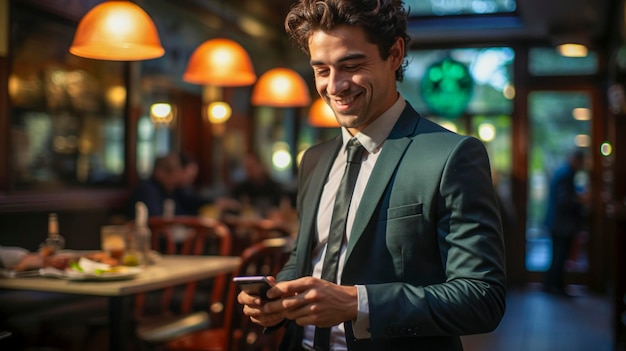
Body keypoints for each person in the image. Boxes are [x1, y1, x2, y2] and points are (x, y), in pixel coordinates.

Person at [237, 1, 507, 350]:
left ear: (394, 54)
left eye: (351, 65)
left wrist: (356, 303)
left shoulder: (450, 155)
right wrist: (276, 297)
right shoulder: (314, 159)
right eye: (322, 70)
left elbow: (482, 298)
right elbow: (308, 258)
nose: (335, 86)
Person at [543, 149, 588, 296]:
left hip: (559, 222)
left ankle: (553, 286)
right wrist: (581, 200)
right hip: (562, 223)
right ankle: (554, 287)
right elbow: (564, 200)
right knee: (559, 256)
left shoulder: (564, 172)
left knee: (558, 256)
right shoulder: (565, 174)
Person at [127, 152, 186, 219]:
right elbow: (154, 220)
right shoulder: (147, 190)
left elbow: (180, 214)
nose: (176, 179)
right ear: (160, 172)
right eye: (173, 174)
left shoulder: (170, 190)